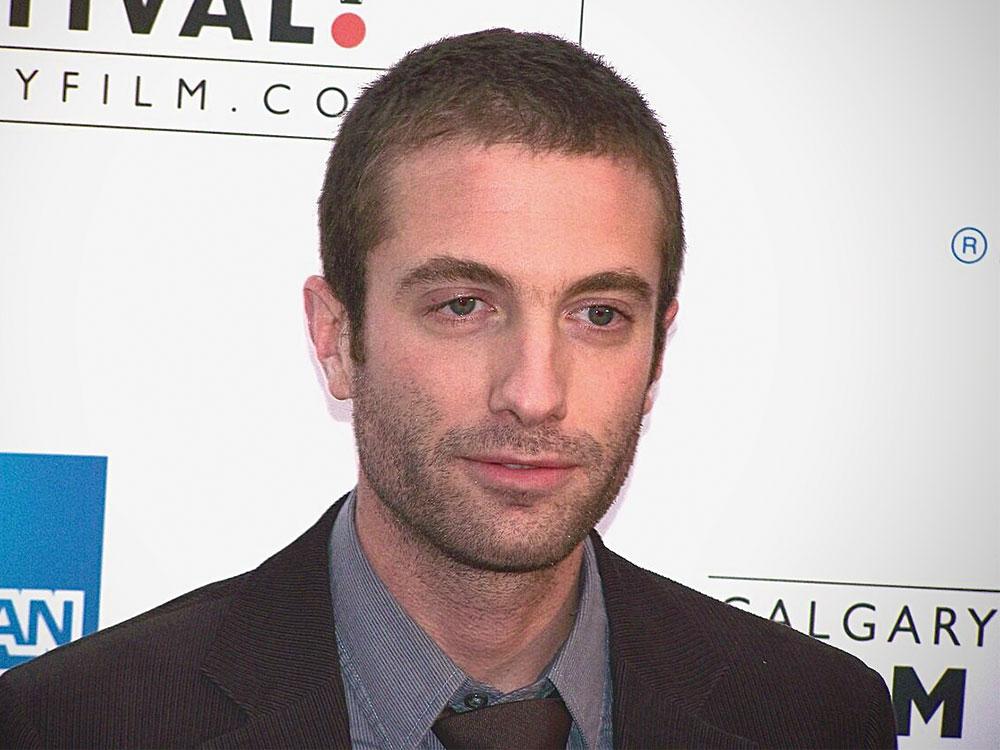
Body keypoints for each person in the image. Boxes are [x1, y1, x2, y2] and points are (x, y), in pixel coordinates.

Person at [0, 29, 897, 749]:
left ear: (658, 352)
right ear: (337, 337)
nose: (535, 394)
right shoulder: (75, 725)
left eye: (598, 315)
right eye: (463, 305)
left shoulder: (815, 718)